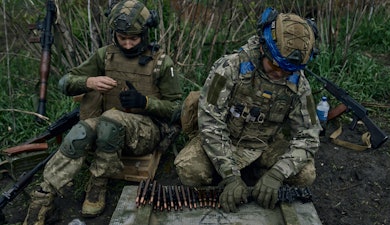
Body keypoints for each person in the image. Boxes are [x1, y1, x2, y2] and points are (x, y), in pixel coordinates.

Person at [23, 0, 182, 224]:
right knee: (81, 131)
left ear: (145, 34)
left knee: (110, 118)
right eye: (122, 38)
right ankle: (44, 194)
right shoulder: (105, 55)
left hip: (146, 133)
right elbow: (65, 82)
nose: (127, 44)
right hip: (108, 128)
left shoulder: (162, 63)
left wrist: (145, 102)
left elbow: (177, 109)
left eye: (133, 39)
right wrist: (89, 81)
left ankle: (98, 183)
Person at [174, 7, 321, 213]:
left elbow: (309, 135)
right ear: (263, 49)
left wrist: (278, 173)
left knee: (306, 174)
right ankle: (235, 177)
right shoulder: (230, 67)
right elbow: (210, 122)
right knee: (190, 170)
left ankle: (259, 176)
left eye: (287, 70)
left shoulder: (298, 84)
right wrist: (230, 174)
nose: (279, 74)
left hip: (265, 144)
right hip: (226, 140)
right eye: (275, 66)